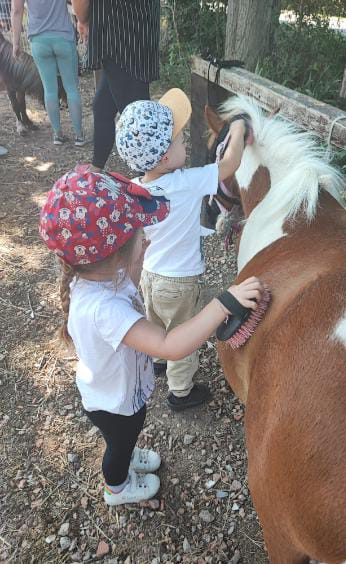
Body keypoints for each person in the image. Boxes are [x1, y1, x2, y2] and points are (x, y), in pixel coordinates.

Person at [39, 166, 263, 505]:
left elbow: (130, 279)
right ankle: (117, 487)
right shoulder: (107, 310)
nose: (147, 239)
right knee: (119, 444)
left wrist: (135, 256)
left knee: (126, 437)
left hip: (114, 393)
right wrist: (223, 304)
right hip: (114, 405)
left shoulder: (96, 277)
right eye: (139, 235)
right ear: (115, 254)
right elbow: (169, 345)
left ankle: (127, 456)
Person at [115, 88, 250, 411]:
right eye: (179, 140)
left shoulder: (137, 189)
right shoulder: (187, 182)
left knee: (155, 321)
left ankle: (158, 360)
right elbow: (230, 164)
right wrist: (240, 126)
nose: (186, 143)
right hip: (180, 281)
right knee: (183, 334)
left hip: (150, 274)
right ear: (164, 156)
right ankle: (181, 391)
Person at [71, 0, 159, 171]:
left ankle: (152, 182)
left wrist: (82, 20)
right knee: (102, 107)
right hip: (137, 29)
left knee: (136, 121)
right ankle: (96, 168)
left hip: (118, 34)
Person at [11, 0, 88, 146]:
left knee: (49, 90)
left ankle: (58, 135)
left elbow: (16, 10)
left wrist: (15, 43)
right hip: (63, 36)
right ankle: (79, 136)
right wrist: (83, 23)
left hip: (38, 39)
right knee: (71, 89)